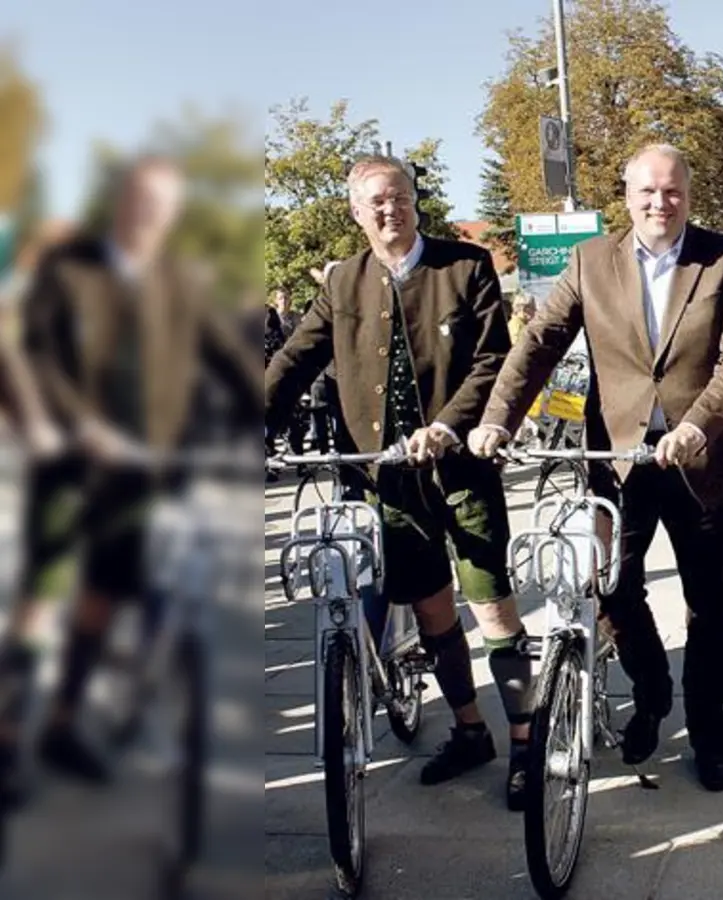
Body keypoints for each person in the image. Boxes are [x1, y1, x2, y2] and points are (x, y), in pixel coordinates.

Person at [468, 144, 723, 793]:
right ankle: (654, 693)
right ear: (626, 195)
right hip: (620, 463)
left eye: (672, 191)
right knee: (612, 589)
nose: (660, 203)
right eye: (647, 192)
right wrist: (498, 420)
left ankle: (709, 730)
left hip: (700, 459)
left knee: (707, 605)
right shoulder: (590, 260)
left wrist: (696, 426)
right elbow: (541, 342)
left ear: (689, 194)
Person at [266, 155, 534, 809]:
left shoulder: (463, 268)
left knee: (492, 603)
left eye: (399, 198)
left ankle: (528, 742)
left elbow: (492, 361)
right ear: (356, 213)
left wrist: (447, 426)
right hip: (383, 480)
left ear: (415, 203)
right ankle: (471, 730)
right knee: (430, 608)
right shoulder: (344, 283)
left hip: (460, 469)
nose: (390, 211)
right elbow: (298, 357)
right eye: (375, 202)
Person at [2, 155, 259, 790]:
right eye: (140, 201)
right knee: (45, 596)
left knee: (104, 596)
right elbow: (38, 358)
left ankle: (62, 724)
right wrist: (80, 428)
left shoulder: (182, 281)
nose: (150, 214)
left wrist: (264, 417)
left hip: (146, 468)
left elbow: (227, 357)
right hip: (71, 462)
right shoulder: (70, 271)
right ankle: (7, 738)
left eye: (163, 204)